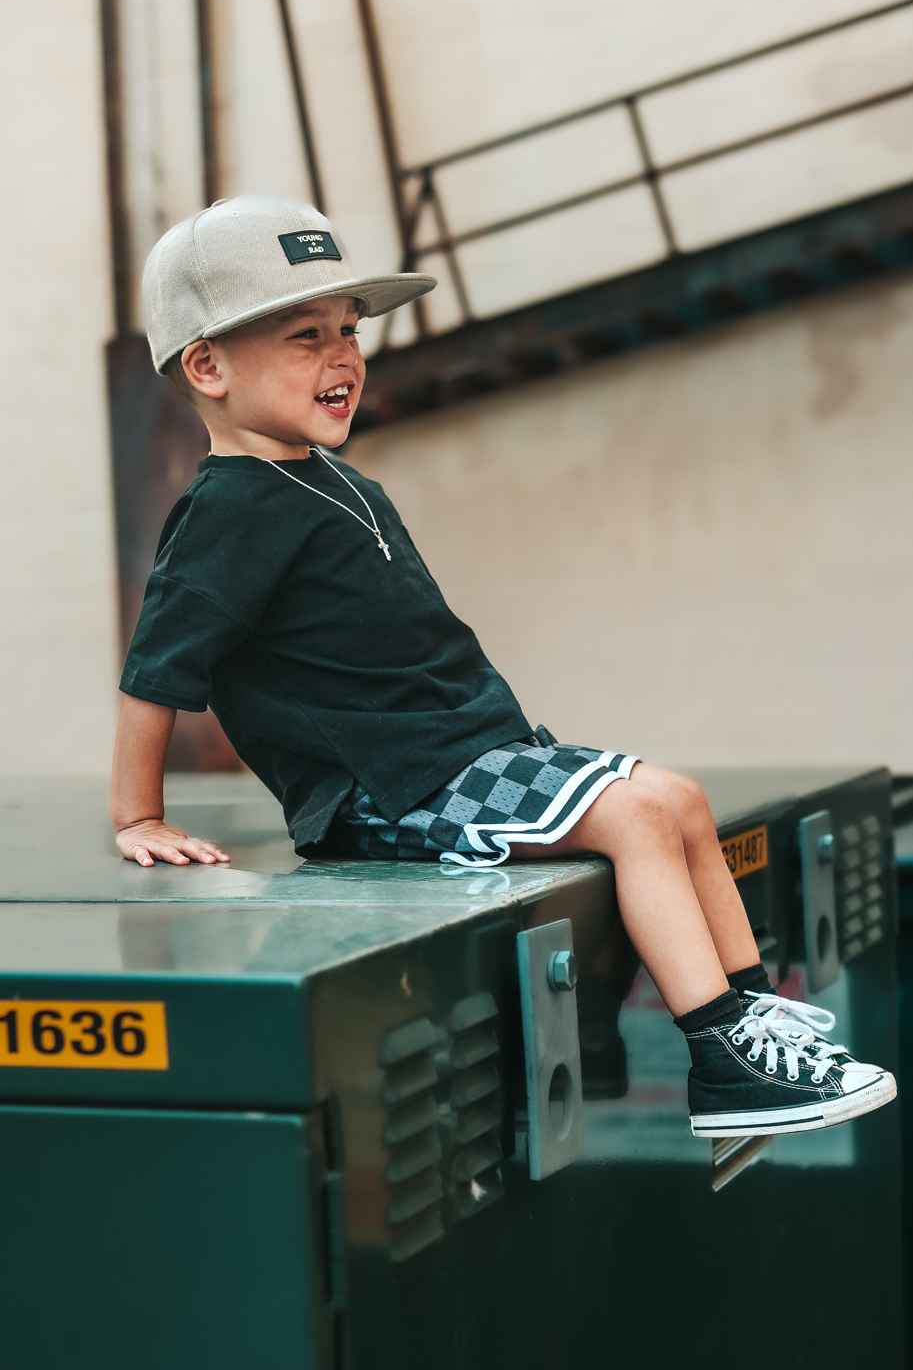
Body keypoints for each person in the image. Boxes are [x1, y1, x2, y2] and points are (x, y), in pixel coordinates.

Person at [113, 194, 895, 1139]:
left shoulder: (327, 480)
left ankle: (750, 1009)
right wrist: (140, 814)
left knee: (677, 797)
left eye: (350, 330)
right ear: (206, 365)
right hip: (391, 788)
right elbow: (157, 668)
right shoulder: (228, 510)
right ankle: (721, 1054)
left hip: (465, 757)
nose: (344, 355)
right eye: (304, 334)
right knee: (639, 819)